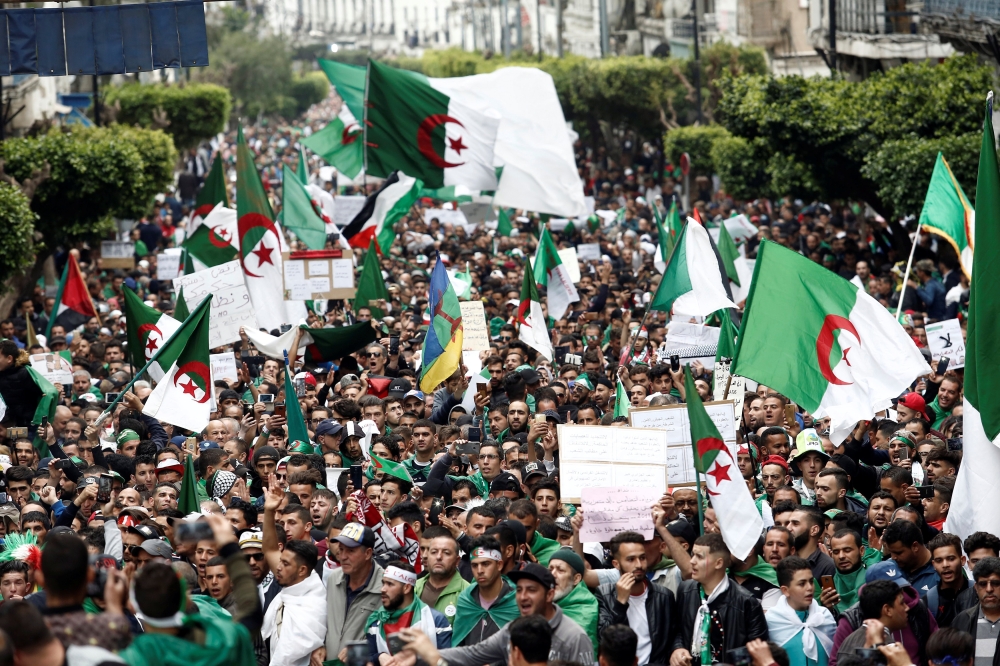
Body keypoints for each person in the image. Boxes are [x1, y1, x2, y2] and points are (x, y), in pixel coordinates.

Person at [118, 514, 262, 666]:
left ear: (133, 605)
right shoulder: (223, 641)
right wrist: (229, 547)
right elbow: (252, 615)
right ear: (187, 600)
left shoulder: (131, 657)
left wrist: (118, 607)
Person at [404, 563, 593, 666]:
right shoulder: (515, 628)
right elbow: (473, 653)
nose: (523, 597)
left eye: (532, 590)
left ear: (550, 595)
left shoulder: (574, 637)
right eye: (519, 590)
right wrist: (420, 655)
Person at [670, 533, 768, 666]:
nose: (692, 561)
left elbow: (757, 652)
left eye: (699, 556)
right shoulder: (685, 590)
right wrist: (678, 648)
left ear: (718, 563)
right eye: (693, 554)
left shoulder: (746, 602)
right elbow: (677, 629)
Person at [597, 531, 676, 666]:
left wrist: (677, 649)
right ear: (616, 564)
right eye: (631, 559)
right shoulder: (604, 594)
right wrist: (620, 604)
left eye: (642, 558)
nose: (639, 564)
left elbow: (673, 636)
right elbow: (604, 638)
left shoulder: (664, 596)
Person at [320, 522, 385, 663]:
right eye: (341, 549)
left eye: (350, 551)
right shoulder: (333, 579)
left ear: (367, 553)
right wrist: (319, 645)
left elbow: (395, 636)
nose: (342, 556)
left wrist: (362, 650)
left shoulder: (386, 587)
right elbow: (326, 623)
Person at [364, 561, 452, 664]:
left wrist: (416, 661)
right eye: (383, 583)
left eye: (390, 584)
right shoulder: (376, 621)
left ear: (406, 588)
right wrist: (379, 657)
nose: (382, 589)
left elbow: (446, 661)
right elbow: (367, 658)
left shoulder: (436, 620)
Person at [261, 540, 327, 666]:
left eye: (285, 563)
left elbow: (289, 654)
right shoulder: (285, 594)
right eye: (280, 560)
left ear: (302, 570)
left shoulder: (314, 606)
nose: (278, 567)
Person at [450, 536, 520, 647]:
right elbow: (458, 645)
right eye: (474, 565)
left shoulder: (517, 600)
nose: (480, 571)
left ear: (499, 565)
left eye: (486, 564)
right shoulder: (466, 599)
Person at [766, 557, 836, 666]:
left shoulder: (824, 616)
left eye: (811, 581)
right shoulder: (772, 621)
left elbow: (835, 657)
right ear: (785, 590)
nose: (810, 588)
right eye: (802, 584)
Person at [866, 519, 938, 596]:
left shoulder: (939, 571)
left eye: (898, 553)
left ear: (915, 546)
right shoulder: (889, 567)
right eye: (891, 552)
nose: (893, 557)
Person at [413, 528, 468, 625]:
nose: (438, 557)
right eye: (434, 552)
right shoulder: (413, 587)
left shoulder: (467, 592)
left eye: (446, 553)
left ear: (457, 561)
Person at [952, 556, 1000, 665]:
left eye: (996, 583)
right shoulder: (962, 620)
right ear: (976, 588)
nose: (989, 589)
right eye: (983, 584)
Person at [550, 549, 599, 652]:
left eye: (560, 570)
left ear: (576, 579)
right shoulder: (543, 601)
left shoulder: (586, 606)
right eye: (550, 569)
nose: (552, 575)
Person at [925, 532, 973, 628]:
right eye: (939, 561)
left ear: (962, 560)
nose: (945, 565)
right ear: (933, 564)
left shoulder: (978, 592)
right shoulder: (928, 601)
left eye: (951, 559)